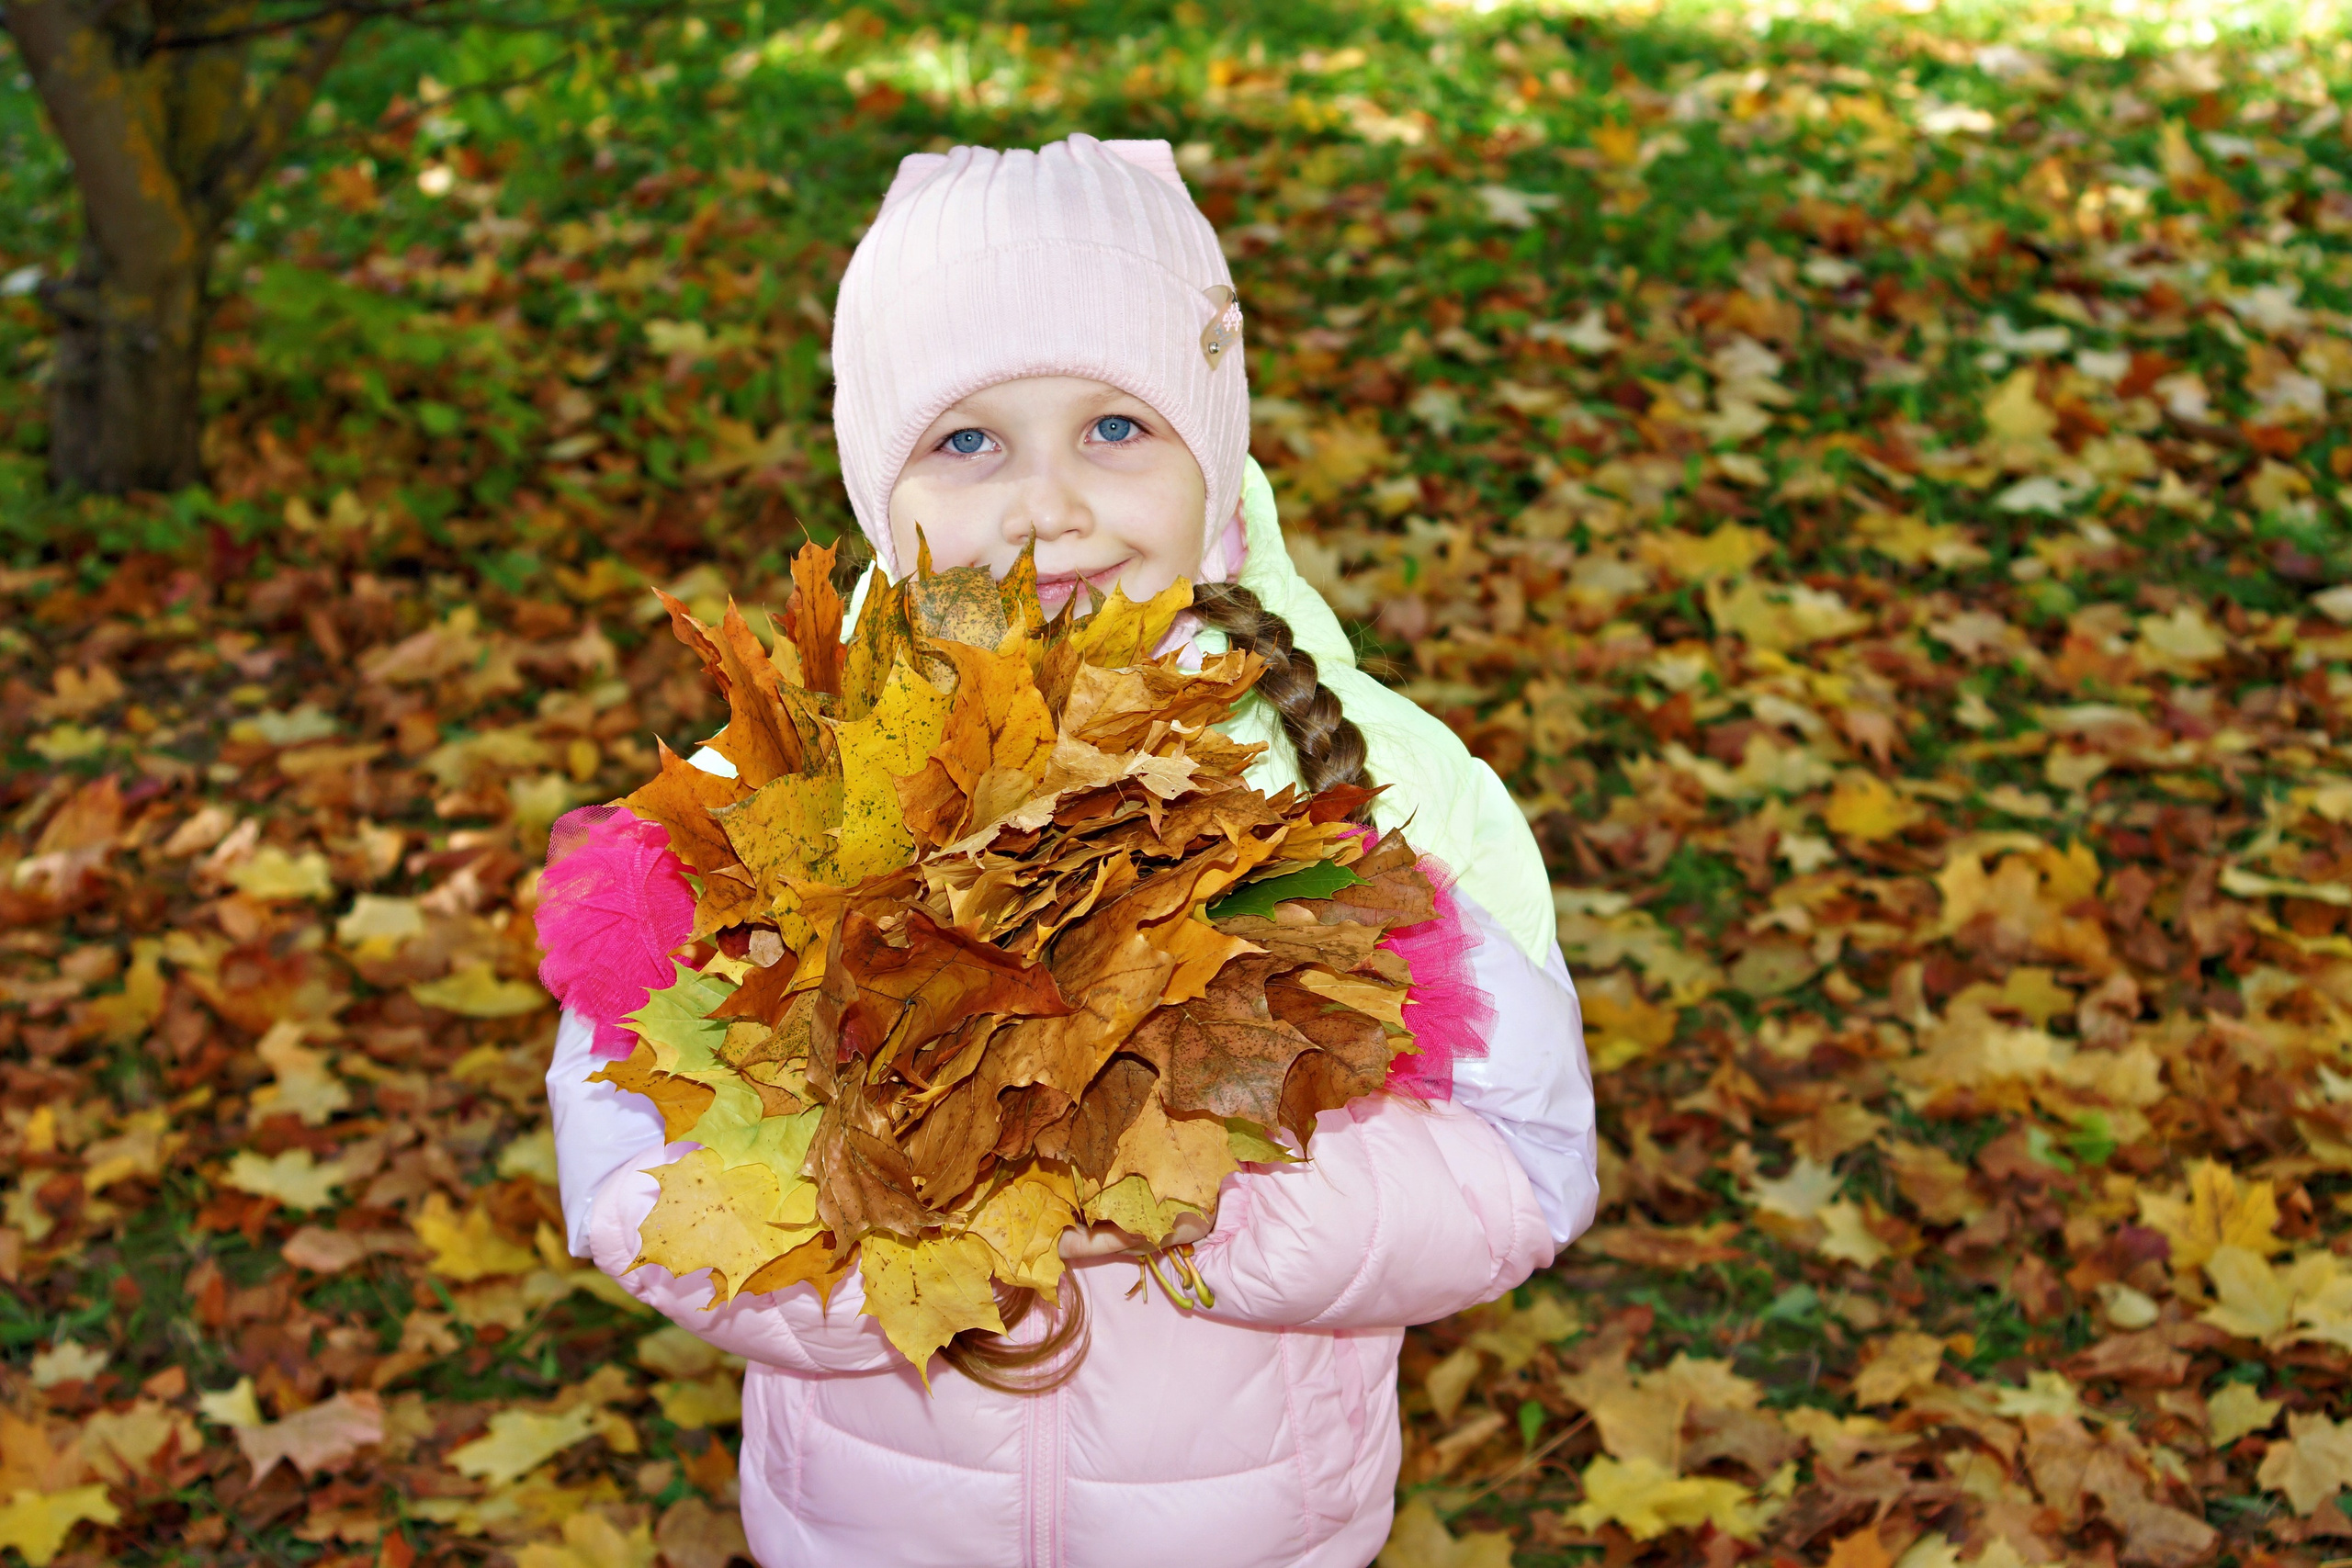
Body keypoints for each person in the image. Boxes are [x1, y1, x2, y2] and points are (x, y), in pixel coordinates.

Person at [543, 134, 1597, 1568]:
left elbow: (1526, 1169)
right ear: (878, 483)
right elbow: (625, 1176)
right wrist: (907, 1248)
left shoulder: (1376, 787)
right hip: (874, 1529)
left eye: (1117, 428)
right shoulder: (781, 794)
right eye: (970, 440)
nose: (1048, 506)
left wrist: (1207, 1203)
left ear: (1212, 443)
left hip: (1243, 1530)